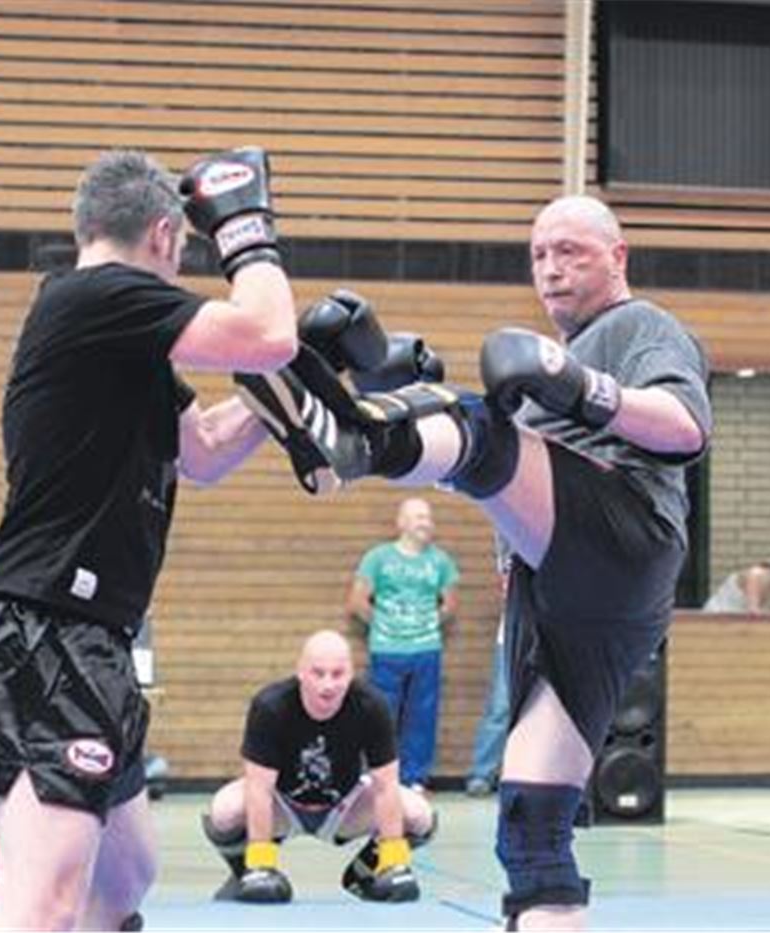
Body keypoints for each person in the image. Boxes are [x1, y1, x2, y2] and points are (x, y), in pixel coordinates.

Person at [235, 194, 713, 929]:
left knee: (478, 429)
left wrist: (584, 387)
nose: (551, 269)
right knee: (530, 830)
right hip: (557, 599)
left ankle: (359, 441)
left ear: (618, 256)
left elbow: (686, 429)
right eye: (539, 255)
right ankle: (373, 421)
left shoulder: (640, 325)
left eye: (570, 251)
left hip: (627, 537)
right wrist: (400, 389)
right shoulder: (543, 384)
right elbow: (504, 490)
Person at [0, 146, 298, 931]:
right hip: (51, 636)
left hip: (84, 639)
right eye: (185, 246)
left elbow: (203, 451)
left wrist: (292, 389)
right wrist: (247, 231)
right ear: (164, 234)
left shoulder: (115, 334)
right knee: (42, 908)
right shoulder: (100, 295)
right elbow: (267, 331)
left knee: (123, 878)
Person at [202, 630, 435, 904]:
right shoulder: (271, 706)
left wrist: (394, 860)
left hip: (344, 807)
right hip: (284, 804)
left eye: (338, 674)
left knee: (419, 815)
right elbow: (259, 790)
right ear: (301, 672)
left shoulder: (372, 705)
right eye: (318, 673)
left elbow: (385, 787)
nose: (328, 685)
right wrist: (261, 862)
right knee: (224, 810)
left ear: (351, 674)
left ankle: (364, 874)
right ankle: (244, 872)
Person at [345, 497, 460, 793]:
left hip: (426, 650)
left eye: (428, 518)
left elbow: (450, 605)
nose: (426, 523)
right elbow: (357, 601)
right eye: (419, 517)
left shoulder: (441, 561)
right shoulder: (378, 558)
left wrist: (425, 624)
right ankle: (376, 776)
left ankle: (414, 779)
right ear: (401, 522)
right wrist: (385, 624)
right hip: (386, 650)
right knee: (380, 715)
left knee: (422, 717)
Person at [466, 535, 513, 798]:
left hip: (552, 640)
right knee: (499, 708)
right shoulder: (509, 558)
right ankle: (482, 773)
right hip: (511, 640)